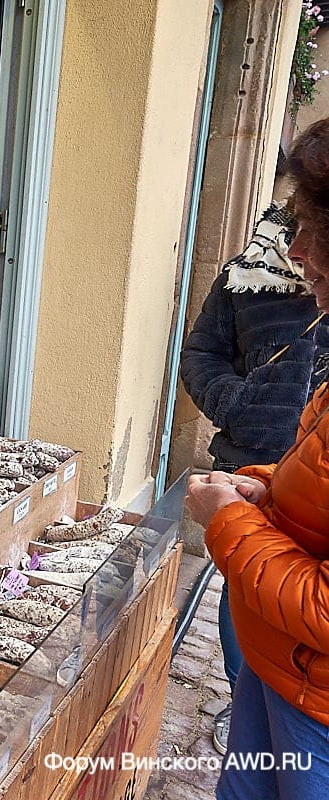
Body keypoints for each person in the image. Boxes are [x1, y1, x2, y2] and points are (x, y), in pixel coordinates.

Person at [186, 117, 329, 800]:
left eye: (310, 224)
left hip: (316, 685)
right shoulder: (250, 270)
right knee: (242, 653)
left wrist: (229, 523)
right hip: (262, 494)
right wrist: (239, 413)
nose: (296, 246)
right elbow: (200, 353)